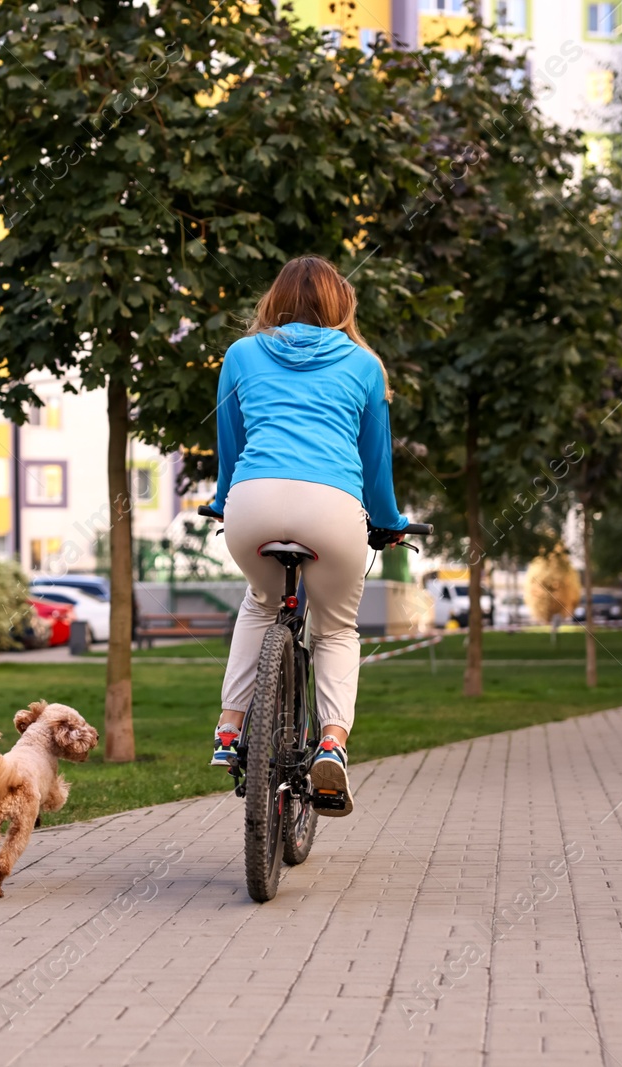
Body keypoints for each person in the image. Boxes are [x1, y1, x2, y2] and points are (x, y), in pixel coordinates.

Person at [208, 255, 407, 816]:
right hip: (333, 506)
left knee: (260, 602)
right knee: (337, 628)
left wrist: (224, 503)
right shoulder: (365, 364)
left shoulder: (241, 354)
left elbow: (232, 441)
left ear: (274, 301)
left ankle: (229, 729)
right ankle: (332, 745)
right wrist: (387, 523)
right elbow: (375, 461)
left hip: (253, 501)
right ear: (340, 303)